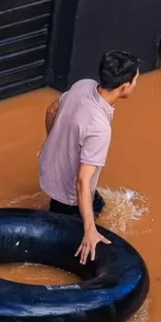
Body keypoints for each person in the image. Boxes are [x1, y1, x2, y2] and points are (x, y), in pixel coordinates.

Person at [39, 50, 141, 264]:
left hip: (48, 167)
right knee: (70, 230)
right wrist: (90, 230)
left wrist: (54, 143)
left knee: (98, 204)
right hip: (66, 193)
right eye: (136, 80)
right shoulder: (100, 128)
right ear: (125, 86)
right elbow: (82, 181)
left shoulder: (83, 85)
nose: (136, 83)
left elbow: (51, 111)